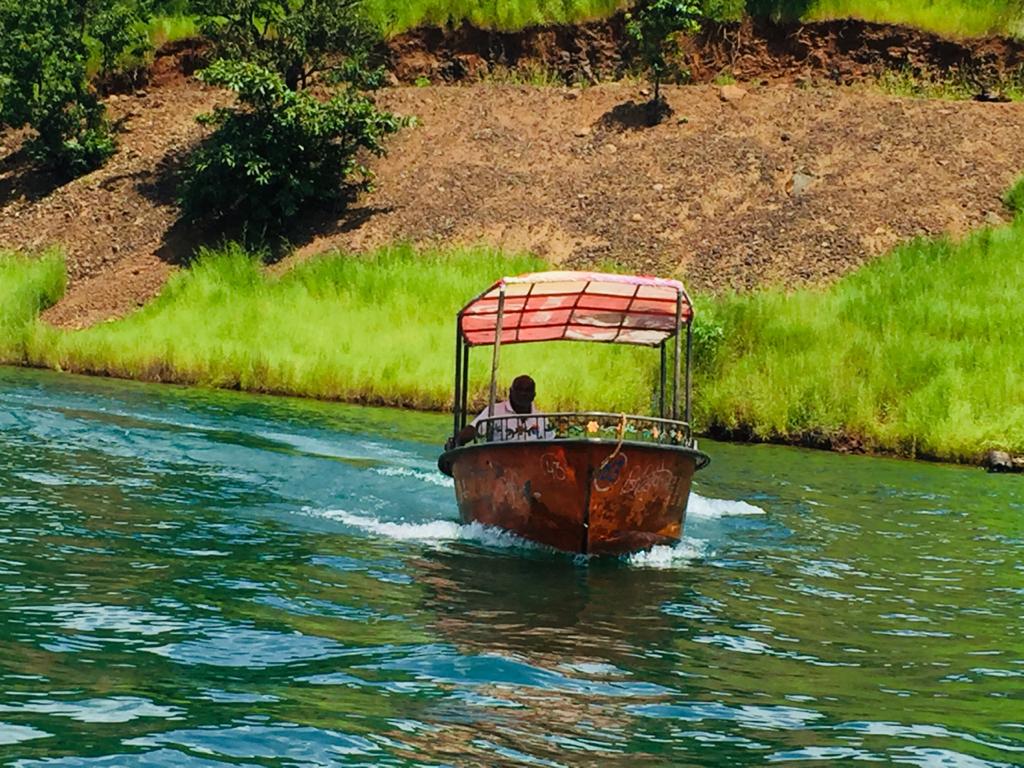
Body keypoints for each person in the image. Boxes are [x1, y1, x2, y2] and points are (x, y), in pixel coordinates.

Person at [448, 374, 550, 448]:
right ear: (511, 391)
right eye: (519, 390)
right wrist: (457, 440)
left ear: (534, 395)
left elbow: (552, 439)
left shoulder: (541, 418)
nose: (523, 394)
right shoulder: (495, 411)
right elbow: (474, 428)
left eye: (527, 391)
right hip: (499, 465)